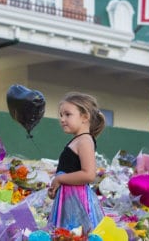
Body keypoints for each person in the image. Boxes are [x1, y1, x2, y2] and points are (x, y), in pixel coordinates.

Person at [48, 92, 105, 233]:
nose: (62, 119)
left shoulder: (85, 140)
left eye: (67, 114)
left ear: (85, 117)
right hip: (69, 199)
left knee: (75, 234)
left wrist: (60, 179)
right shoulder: (78, 140)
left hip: (77, 201)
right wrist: (56, 188)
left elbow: (89, 174)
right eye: (61, 115)